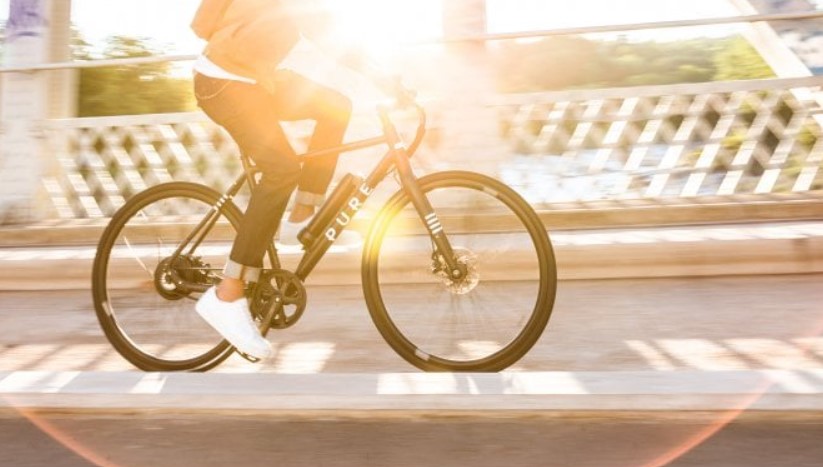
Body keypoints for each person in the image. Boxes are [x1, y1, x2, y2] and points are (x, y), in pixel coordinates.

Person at [191, 0, 394, 359]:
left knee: (336, 105)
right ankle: (228, 293)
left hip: (258, 79)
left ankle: (299, 216)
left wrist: (384, 75)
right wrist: (382, 77)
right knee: (281, 168)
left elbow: (329, 31)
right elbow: (324, 32)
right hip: (223, 82)